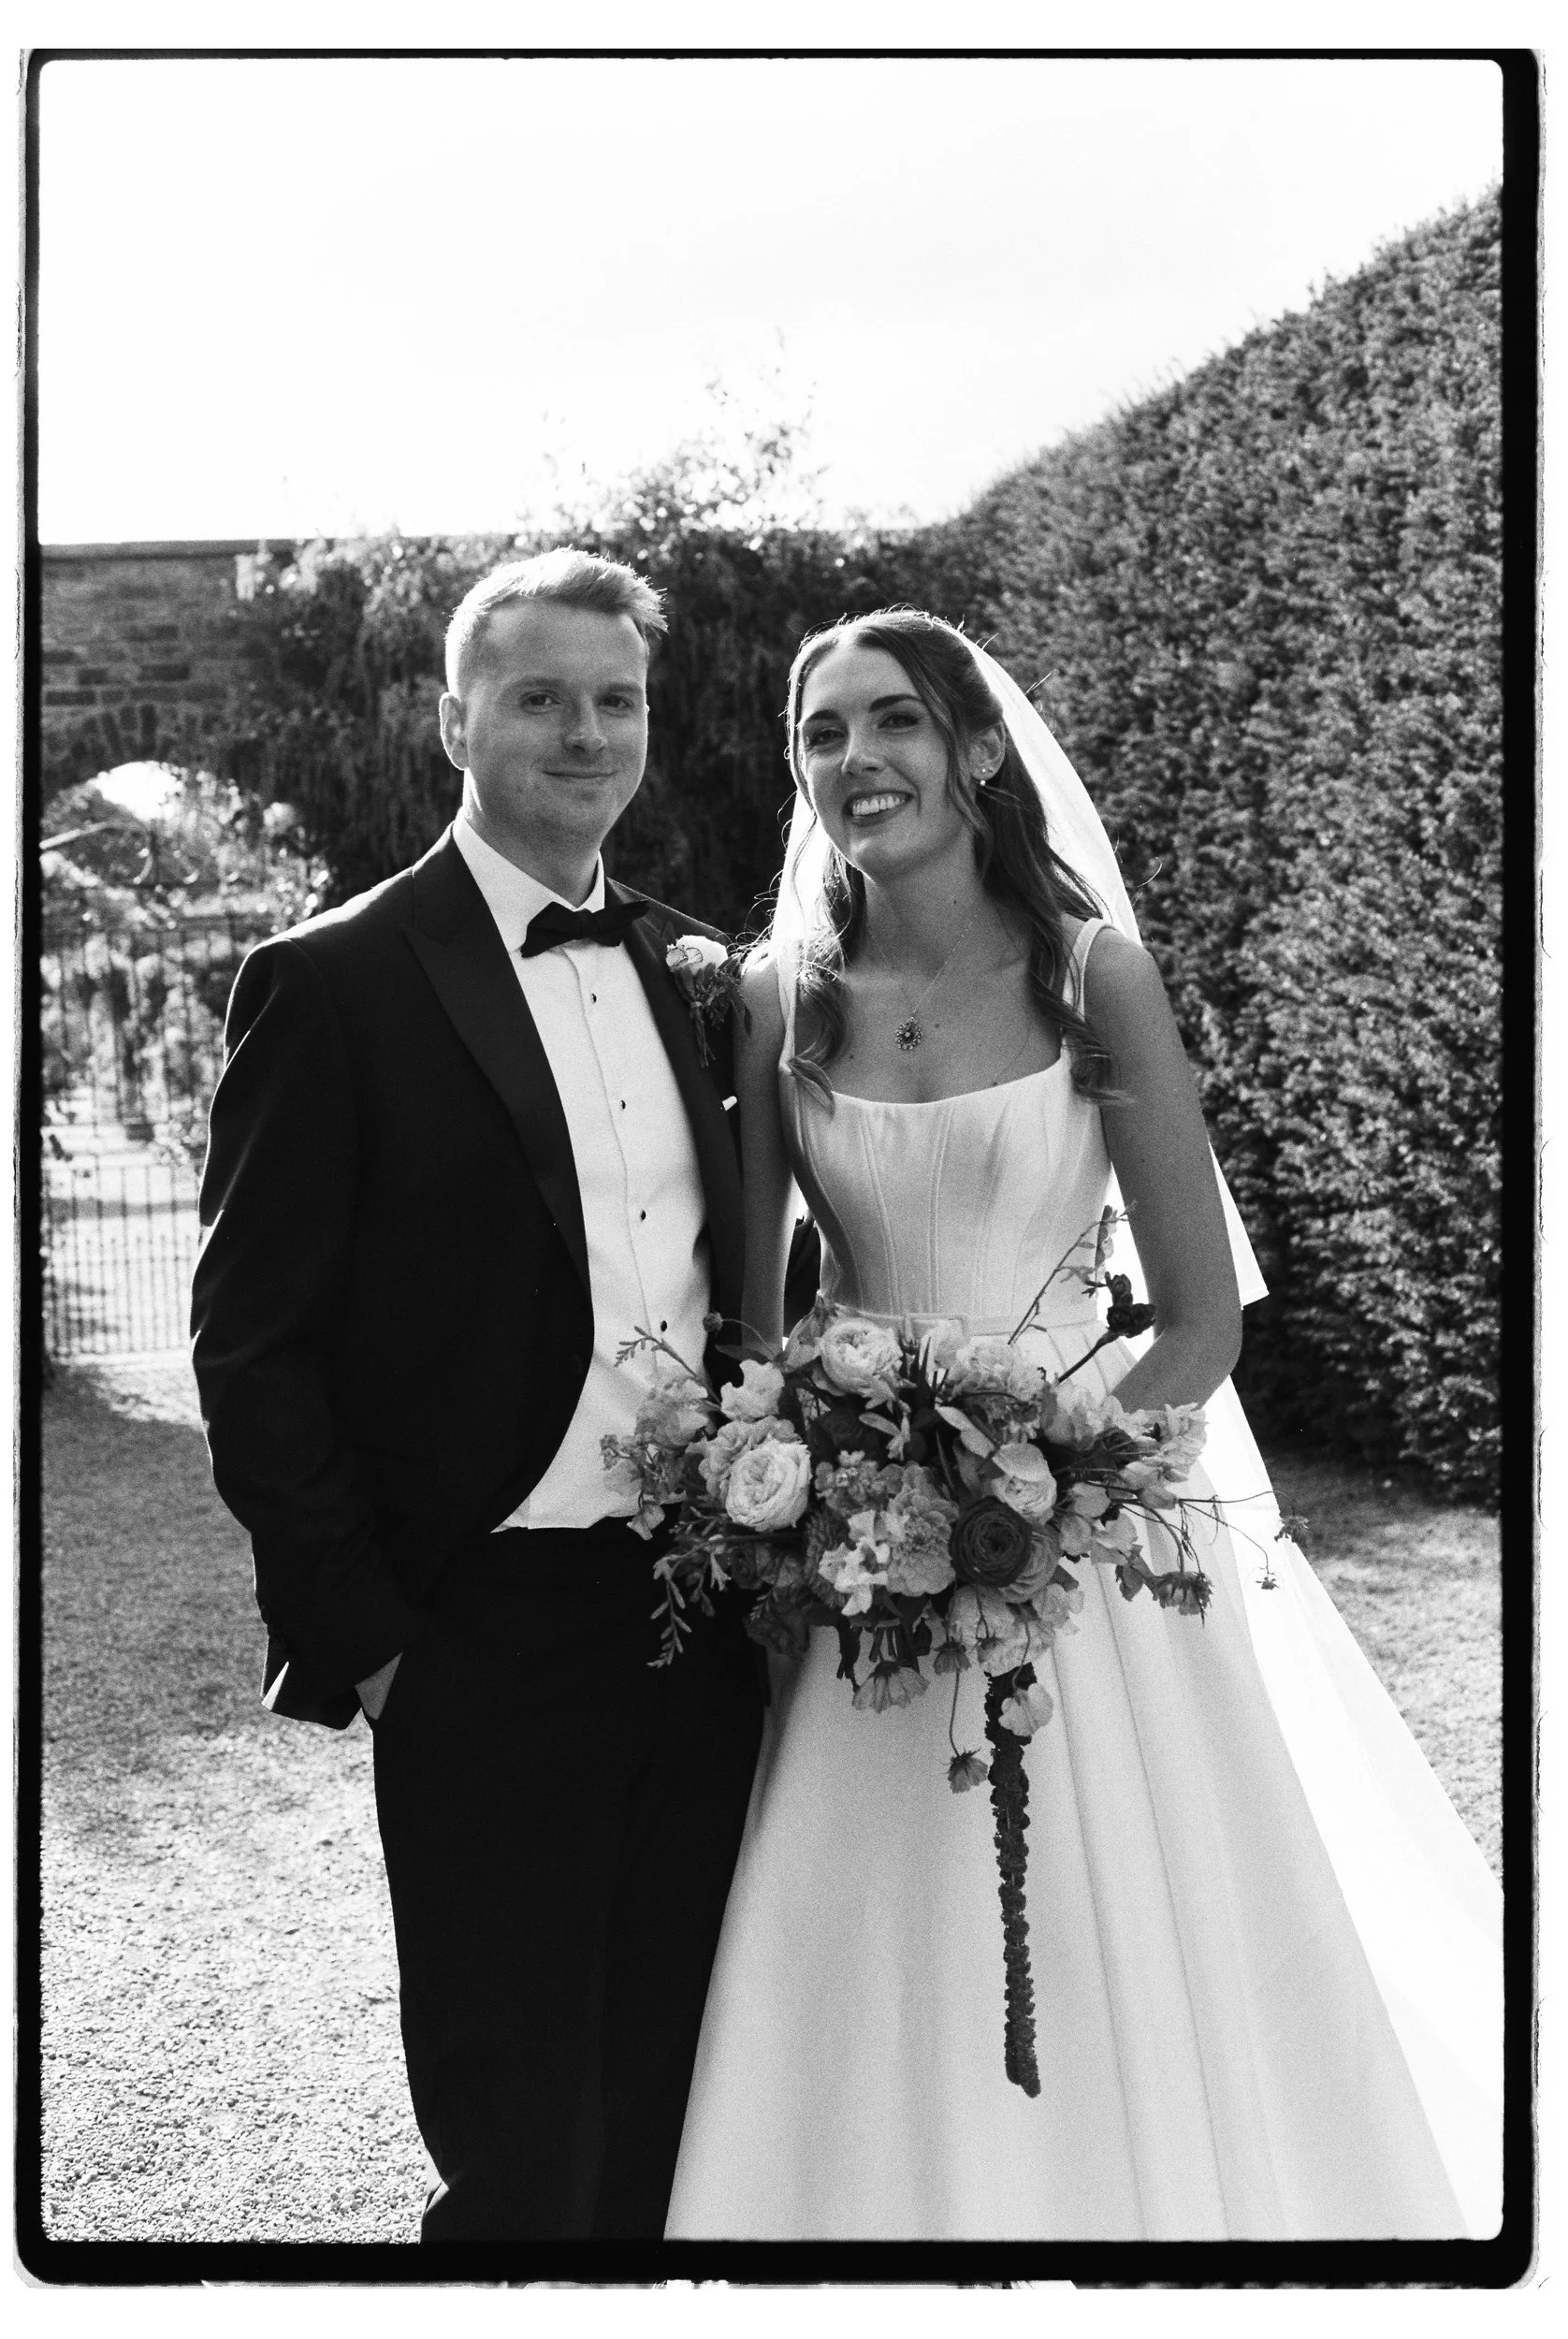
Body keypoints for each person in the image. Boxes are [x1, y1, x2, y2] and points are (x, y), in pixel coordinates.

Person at [664, 608, 1503, 2243]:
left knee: (1124, 1902)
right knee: (871, 1900)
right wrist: (811, 1490)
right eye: (823, 733)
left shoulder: (1086, 972)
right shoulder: (779, 998)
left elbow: (1198, 1320)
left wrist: (1045, 1485)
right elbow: (759, 1322)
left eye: (896, 721)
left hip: (1082, 1531)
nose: (858, 759)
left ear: (978, 749)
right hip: (858, 1537)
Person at [191, 548, 762, 2243]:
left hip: (705, 1616)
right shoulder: (333, 981)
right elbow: (251, 1346)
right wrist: (373, 1643)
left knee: (679, 2102)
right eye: (538, 698)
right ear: (456, 722)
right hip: (476, 1630)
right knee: (519, 2143)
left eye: (615, 701)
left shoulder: (705, 971)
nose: (584, 733)